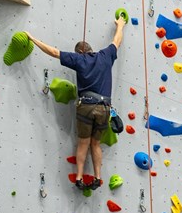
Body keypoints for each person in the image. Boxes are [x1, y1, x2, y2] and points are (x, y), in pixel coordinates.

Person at [26, 16, 126, 190]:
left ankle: (79, 177)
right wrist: (120, 25)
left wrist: (33, 39)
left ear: (79, 52)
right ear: (90, 49)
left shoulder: (79, 59)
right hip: (104, 108)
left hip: (86, 106)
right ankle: (97, 177)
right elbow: (117, 40)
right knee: (96, 143)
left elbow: (54, 52)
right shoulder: (105, 55)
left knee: (83, 142)